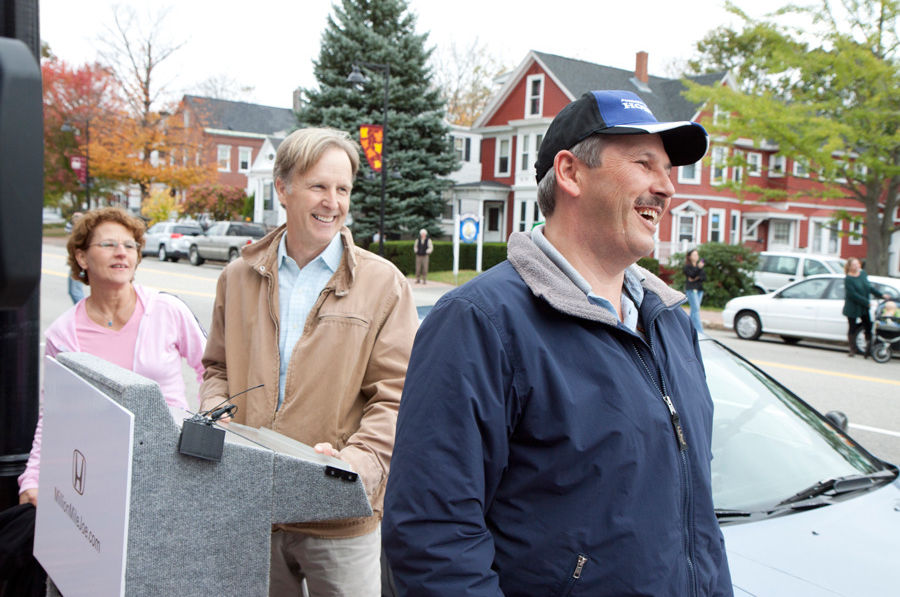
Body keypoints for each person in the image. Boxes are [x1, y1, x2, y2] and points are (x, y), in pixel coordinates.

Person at [383, 90, 732, 596]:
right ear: (570, 173)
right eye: (644, 164)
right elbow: (433, 537)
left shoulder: (671, 323)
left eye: (669, 170)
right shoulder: (479, 323)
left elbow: (696, 513)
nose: (667, 187)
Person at [198, 127, 417, 597]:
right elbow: (217, 369)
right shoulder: (237, 277)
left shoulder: (385, 285)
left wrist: (352, 465)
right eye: (319, 186)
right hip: (253, 507)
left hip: (340, 514)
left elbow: (398, 396)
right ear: (283, 188)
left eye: (343, 189)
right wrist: (217, 421)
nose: (332, 202)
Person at [18, 207, 207, 506]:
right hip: (96, 475)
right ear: (82, 258)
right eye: (108, 245)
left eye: (130, 245)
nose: (122, 252)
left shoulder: (167, 310)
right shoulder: (64, 333)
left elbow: (212, 369)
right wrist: (32, 478)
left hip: (169, 468)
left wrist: (202, 431)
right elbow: (53, 413)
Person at [843, 257, 887, 358]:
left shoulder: (862, 274)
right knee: (852, 327)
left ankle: (868, 347)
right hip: (853, 306)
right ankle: (852, 349)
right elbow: (852, 294)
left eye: (857, 264)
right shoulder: (848, 279)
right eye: (854, 265)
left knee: (868, 325)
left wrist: (881, 295)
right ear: (849, 267)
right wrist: (866, 302)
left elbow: (868, 287)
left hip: (863, 306)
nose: (857, 266)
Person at [683, 247, 706, 332]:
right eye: (694, 254)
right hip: (691, 289)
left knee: (694, 310)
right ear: (689, 256)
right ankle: (700, 331)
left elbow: (703, 277)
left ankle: (690, 329)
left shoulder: (699, 266)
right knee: (696, 309)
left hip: (700, 289)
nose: (697, 256)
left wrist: (695, 277)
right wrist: (698, 270)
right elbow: (691, 275)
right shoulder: (687, 267)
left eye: (697, 254)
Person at [66, 211, 86, 304]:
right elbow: (67, 230)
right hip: (76, 262)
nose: (75, 218)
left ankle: (82, 312)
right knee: (73, 291)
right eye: (74, 216)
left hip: (80, 263)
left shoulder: (84, 232)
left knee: (75, 291)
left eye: (78, 217)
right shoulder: (73, 229)